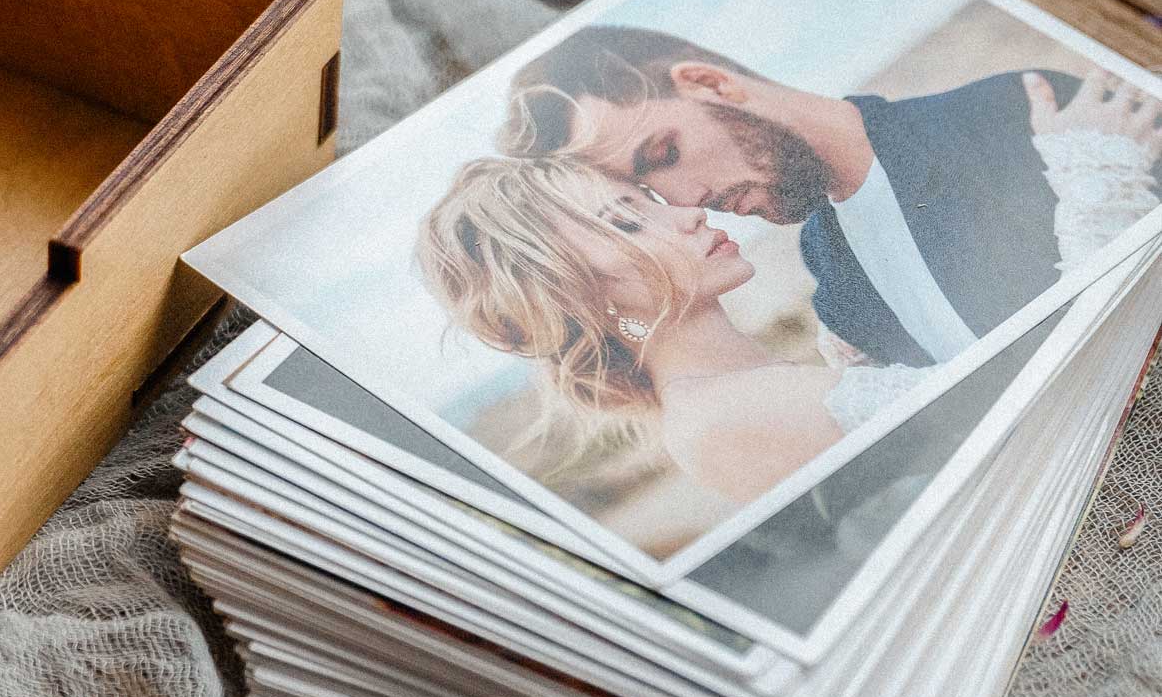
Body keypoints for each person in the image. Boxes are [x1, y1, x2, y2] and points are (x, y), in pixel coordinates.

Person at [417, 135, 1156, 505]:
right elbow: (1053, 414)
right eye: (629, 222)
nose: (686, 213)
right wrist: (1096, 175)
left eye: (645, 200)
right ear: (575, 296)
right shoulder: (724, 417)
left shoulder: (741, 387)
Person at [495, 25, 1162, 368]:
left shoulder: (1021, 116)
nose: (685, 199)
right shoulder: (827, 270)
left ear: (710, 84)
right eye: (644, 191)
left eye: (663, 153)